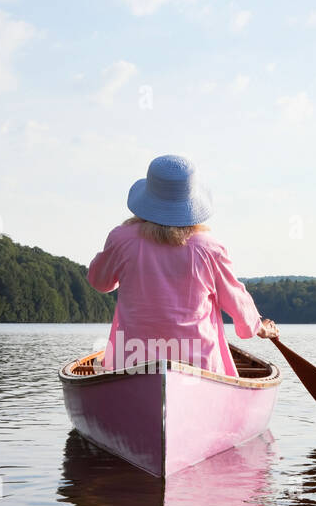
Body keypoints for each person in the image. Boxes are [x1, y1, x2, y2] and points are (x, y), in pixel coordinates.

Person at [86, 154, 278, 378]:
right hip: (200, 366)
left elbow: (99, 281)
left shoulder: (121, 239)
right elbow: (236, 298)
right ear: (191, 203)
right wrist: (257, 326)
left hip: (132, 362)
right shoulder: (210, 248)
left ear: (147, 199)